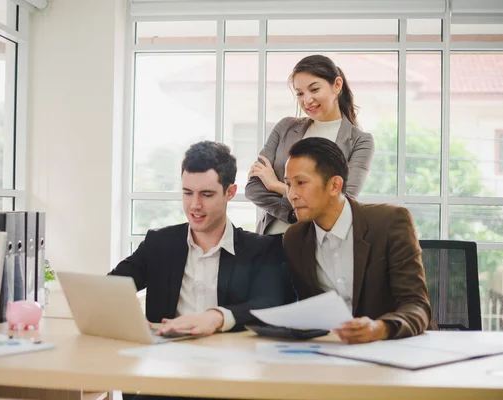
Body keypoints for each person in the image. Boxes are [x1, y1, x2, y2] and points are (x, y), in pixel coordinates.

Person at [109, 141, 293, 338]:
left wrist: (217, 317)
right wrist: (129, 320)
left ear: (229, 192)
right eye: (188, 193)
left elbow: (269, 304)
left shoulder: (261, 249)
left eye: (206, 194)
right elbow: (111, 288)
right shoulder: (159, 244)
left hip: (231, 360)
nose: (195, 205)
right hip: (165, 360)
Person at [283, 137, 431, 343]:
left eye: (301, 183)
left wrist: (379, 329)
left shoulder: (390, 222)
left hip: (390, 349)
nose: (291, 194)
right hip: (330, 350)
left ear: (334, 185)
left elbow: (417, 305)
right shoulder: (295, 238)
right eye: (288, 184)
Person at [246, 54, 375, 235]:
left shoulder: (360, 141)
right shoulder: (285, 128)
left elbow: (343, 203)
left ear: (337, 85)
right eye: (299, 93)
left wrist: (276, 185)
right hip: (270, 242)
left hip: (320, 245)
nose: (307, 100)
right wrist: (293, 214)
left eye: (314, 90)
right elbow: (254, 188)